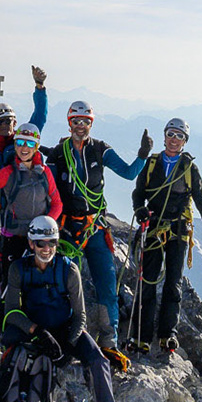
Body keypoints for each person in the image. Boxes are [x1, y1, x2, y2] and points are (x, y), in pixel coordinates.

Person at [0, 214, 120, 402]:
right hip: (35, 331)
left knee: (98, 360)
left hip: (65, 329)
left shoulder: (69, 270)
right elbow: (12, 312)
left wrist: (68, 343)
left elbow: (80, 316)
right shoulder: (18, 269)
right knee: (11, 341)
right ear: (30, 243)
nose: (46, 249)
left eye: (51, 243)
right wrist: (36, 330)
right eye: (40, 243)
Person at [41, 96, 151, 359]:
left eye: (85, 121)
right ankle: (68, 336)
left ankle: (108, 339)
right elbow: (50, 191)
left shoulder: (101, 150)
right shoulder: (58, 154)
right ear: (69, 123)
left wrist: (143, 156)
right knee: (67, 284)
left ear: (91, 123)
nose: (81, 126)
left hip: (95, 227)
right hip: (68, 229)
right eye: (76, 121)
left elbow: (128, 173)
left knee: (106, 282)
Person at [128, 117, 202, 356]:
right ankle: (141, 335)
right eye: (171, 135)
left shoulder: (189, 169)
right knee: (148, 281)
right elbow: (138, 193)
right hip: (153, 228)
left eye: (179, 136)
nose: (174, 140)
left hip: (178, 230)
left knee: (173, 283)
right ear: (164, 137)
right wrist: (139, 209)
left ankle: (167, 334)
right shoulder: (151, 163)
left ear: (185, 142)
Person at [0, 116, 62, 339]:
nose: (23, 148)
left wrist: (46, 226)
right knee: (12, 288)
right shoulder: (8, 173)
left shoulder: (44, 173)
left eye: (28, 143)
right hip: (15, 240)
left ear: (36, 146)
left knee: (37, 286)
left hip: (40, 241)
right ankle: (12, 334)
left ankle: (36, 330)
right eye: (19, 143)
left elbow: (57, 203)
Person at [0, 69, 48, 339]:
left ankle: (10, 322)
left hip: (18, 225)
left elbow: (39, 118)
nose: (7, 126)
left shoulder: (22, 145)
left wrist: (40, 88)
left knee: (14, 275)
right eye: (1, 122)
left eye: (10, 121)